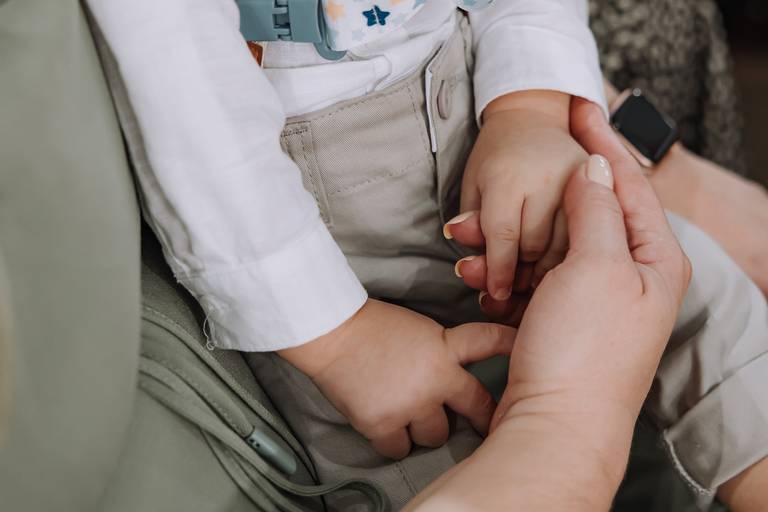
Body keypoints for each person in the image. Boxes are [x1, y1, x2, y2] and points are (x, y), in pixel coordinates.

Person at [87, 0, 768, 508]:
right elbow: (187, 118)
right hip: (323, 241)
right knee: (419, 447)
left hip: (482, 94)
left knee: (693, 295)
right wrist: (339, 341)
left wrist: (528, 105)